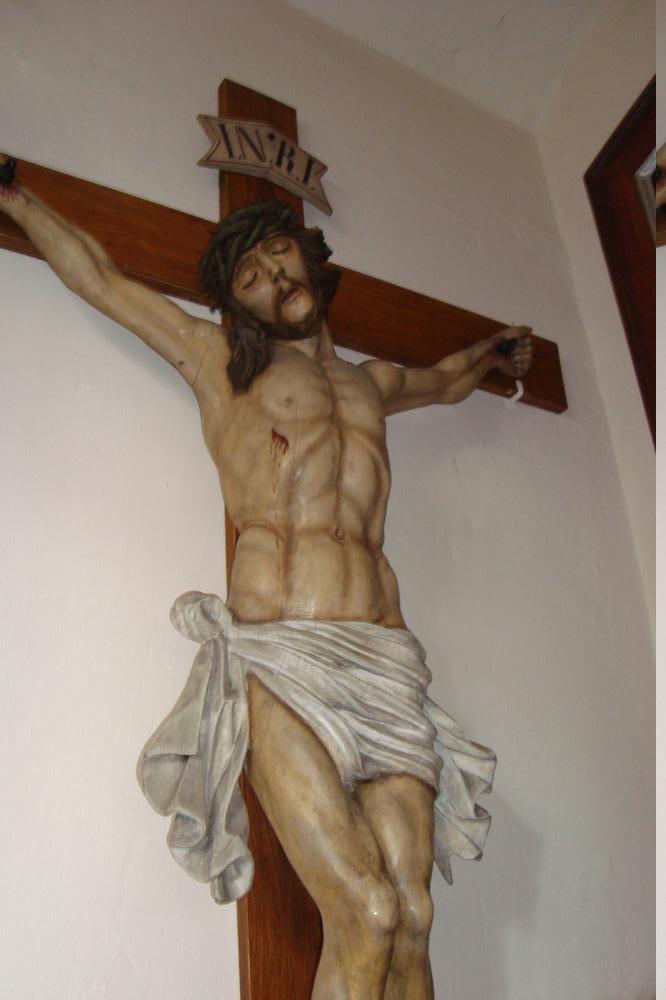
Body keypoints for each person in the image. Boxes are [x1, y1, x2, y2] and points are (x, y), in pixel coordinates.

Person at [0, 165, 531, 1000]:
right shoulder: (220, 364)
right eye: (248, 277)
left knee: (414, 916)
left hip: (386, 664)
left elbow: (448, 378)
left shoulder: (372, 383)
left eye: (279, 254)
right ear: (235, 306)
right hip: (284, 659)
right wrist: (15, 200)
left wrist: (493, 354)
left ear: (309, 257)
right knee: (366, 911)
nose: (273, 278)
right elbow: (101, 280)